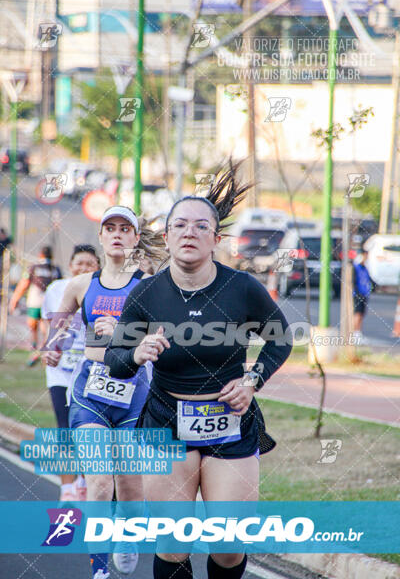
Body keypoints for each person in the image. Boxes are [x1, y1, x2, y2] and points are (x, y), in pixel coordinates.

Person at [105, 164, 293, 579]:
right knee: (173, 544)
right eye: (180, 225)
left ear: (216, 238)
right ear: (168, 235)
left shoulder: (242, 287)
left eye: (200, 226)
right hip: (166, 423)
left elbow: (281, 339)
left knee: (228, 545)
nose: (189, 232)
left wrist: (252, 380)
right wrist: (137, 354)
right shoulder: (146, 293)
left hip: (230, 423)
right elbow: (114, 362)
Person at [43, 206, 165, 579]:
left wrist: (125, 335)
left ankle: (125, 537)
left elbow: (163, 335)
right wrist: (54, 345)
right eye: (109, 228)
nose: (116, 234)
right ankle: (99, 570)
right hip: (90, 393)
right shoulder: (80, 285)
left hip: (134, 394)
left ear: (133, 238)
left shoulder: (150, 285)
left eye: (124, 228)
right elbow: (60, 326)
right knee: (98, 482)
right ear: (100, 237)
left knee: (130, 488)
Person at [41, 244, 100, 501]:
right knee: (64, 428)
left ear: (98, 267)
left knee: (88, 430)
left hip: (90, 373)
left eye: (90, 264)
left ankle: (85, 482)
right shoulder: (55, 290)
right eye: (79, 263)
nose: (83, 267)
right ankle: (67, 489)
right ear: (70, 265)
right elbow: (49, 327)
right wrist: (49, 349)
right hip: (61, 373)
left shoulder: (101, 290)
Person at [9, 245, 62, 366]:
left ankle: (36, 352)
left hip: (35, 301)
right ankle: (39, 352)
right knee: (45, 330)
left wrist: (14, 300)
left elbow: (24, 284)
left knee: (33, 327)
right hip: (49, 303)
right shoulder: (55, 269)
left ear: (40, 255)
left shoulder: (34, 267)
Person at [353, 249, 372, 340]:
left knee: (361, 314)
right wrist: (357, 292)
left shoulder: (365, 268)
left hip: (364, 294)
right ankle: (354, 332)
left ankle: (358, 332)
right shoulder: (355, 267)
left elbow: (369, 280)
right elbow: (353, 281)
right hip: (357, 294)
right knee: (357, 313)